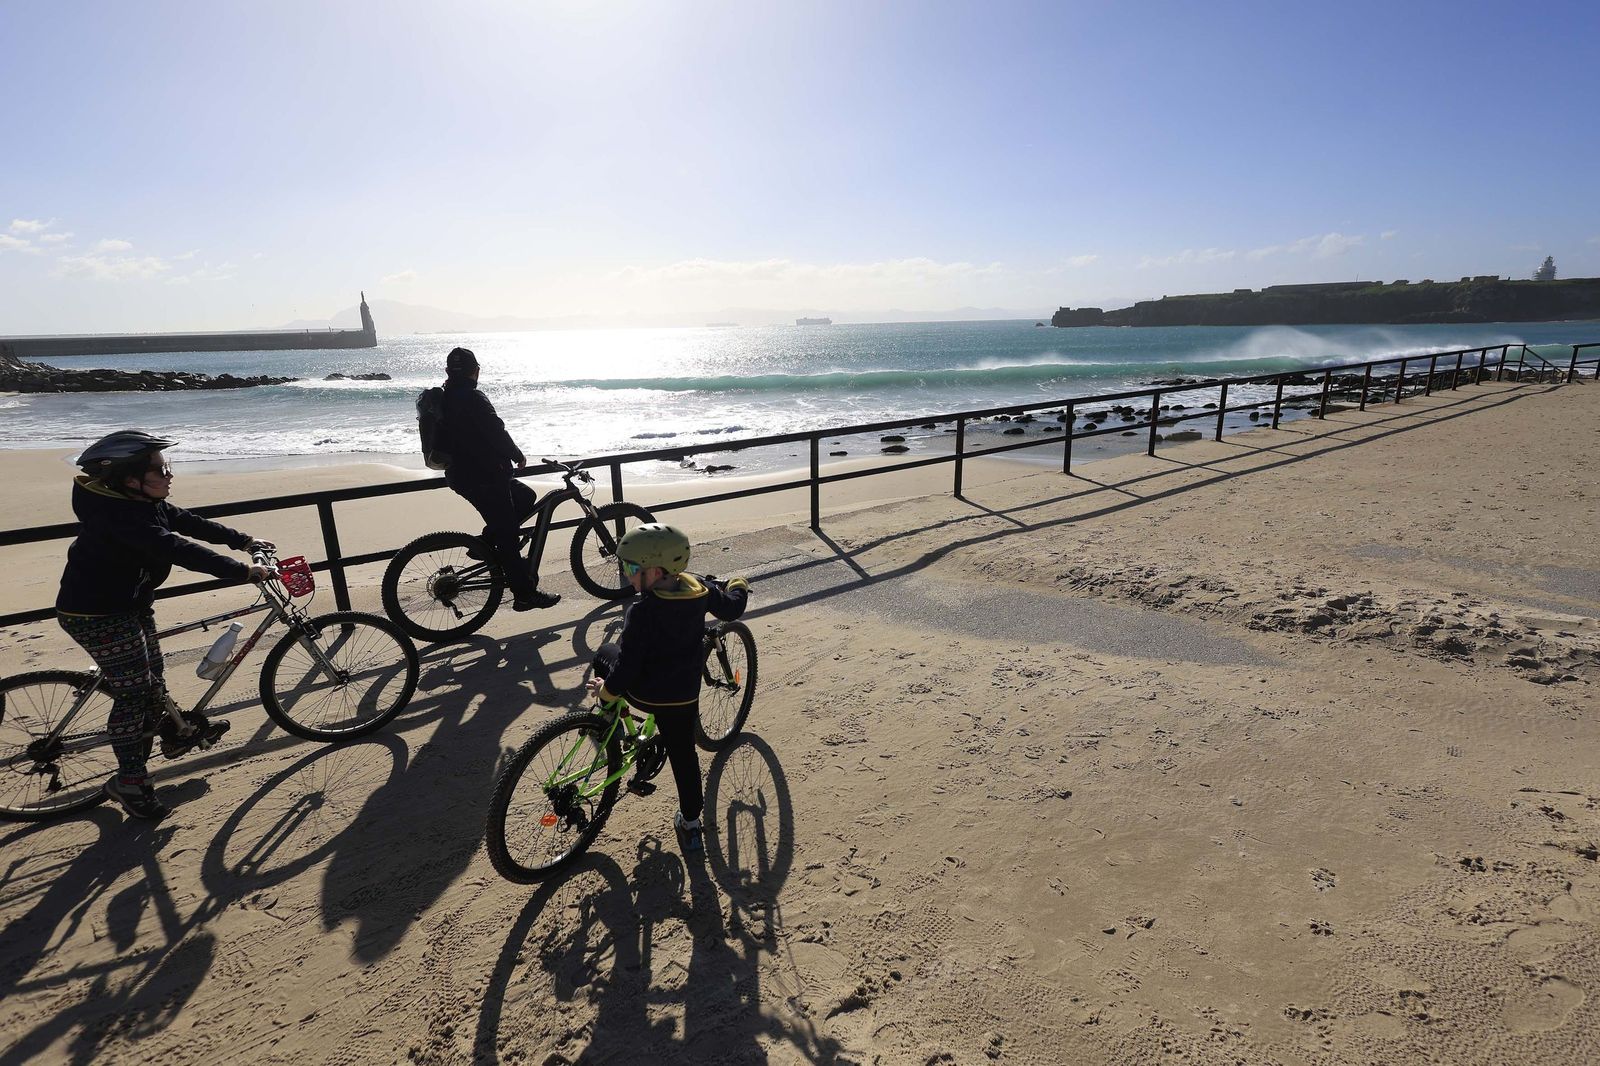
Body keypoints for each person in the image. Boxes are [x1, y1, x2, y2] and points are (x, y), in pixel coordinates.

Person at [55, 431, 276, 820]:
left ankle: (174, 730)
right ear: (129, 479)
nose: (169, 474)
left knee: (153, 679)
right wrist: (242, 571)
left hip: (130, 605)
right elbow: (176, 547)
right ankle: (130, 782)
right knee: (135, 694)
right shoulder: (118, 517)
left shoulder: (139, 502)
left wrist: (242, 540)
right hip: (98, 614)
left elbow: (186, 522)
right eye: (160, 469)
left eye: (167, 466)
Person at [584, 523, 749, 854]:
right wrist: (738, 585)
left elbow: (627, 667)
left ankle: (610, 719)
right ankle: (690, 823)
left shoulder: (641, 612)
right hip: (680, 698)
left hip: (643, 694)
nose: (626, 575)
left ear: (656, 572)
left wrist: (607, 691)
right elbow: (733, 608)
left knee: (605, 654)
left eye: (632, 568)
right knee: (684, 758)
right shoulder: (701, 592)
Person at [438, 346, 558, 611]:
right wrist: (516, 454)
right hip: (486, 477)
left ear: (448, 371)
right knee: (508, 537)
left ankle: (483, 544)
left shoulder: (444, 397)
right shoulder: (473, 397)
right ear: (475, 371)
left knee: (525, 496)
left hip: (461, 475)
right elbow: (495, 430)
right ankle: (525, 595)